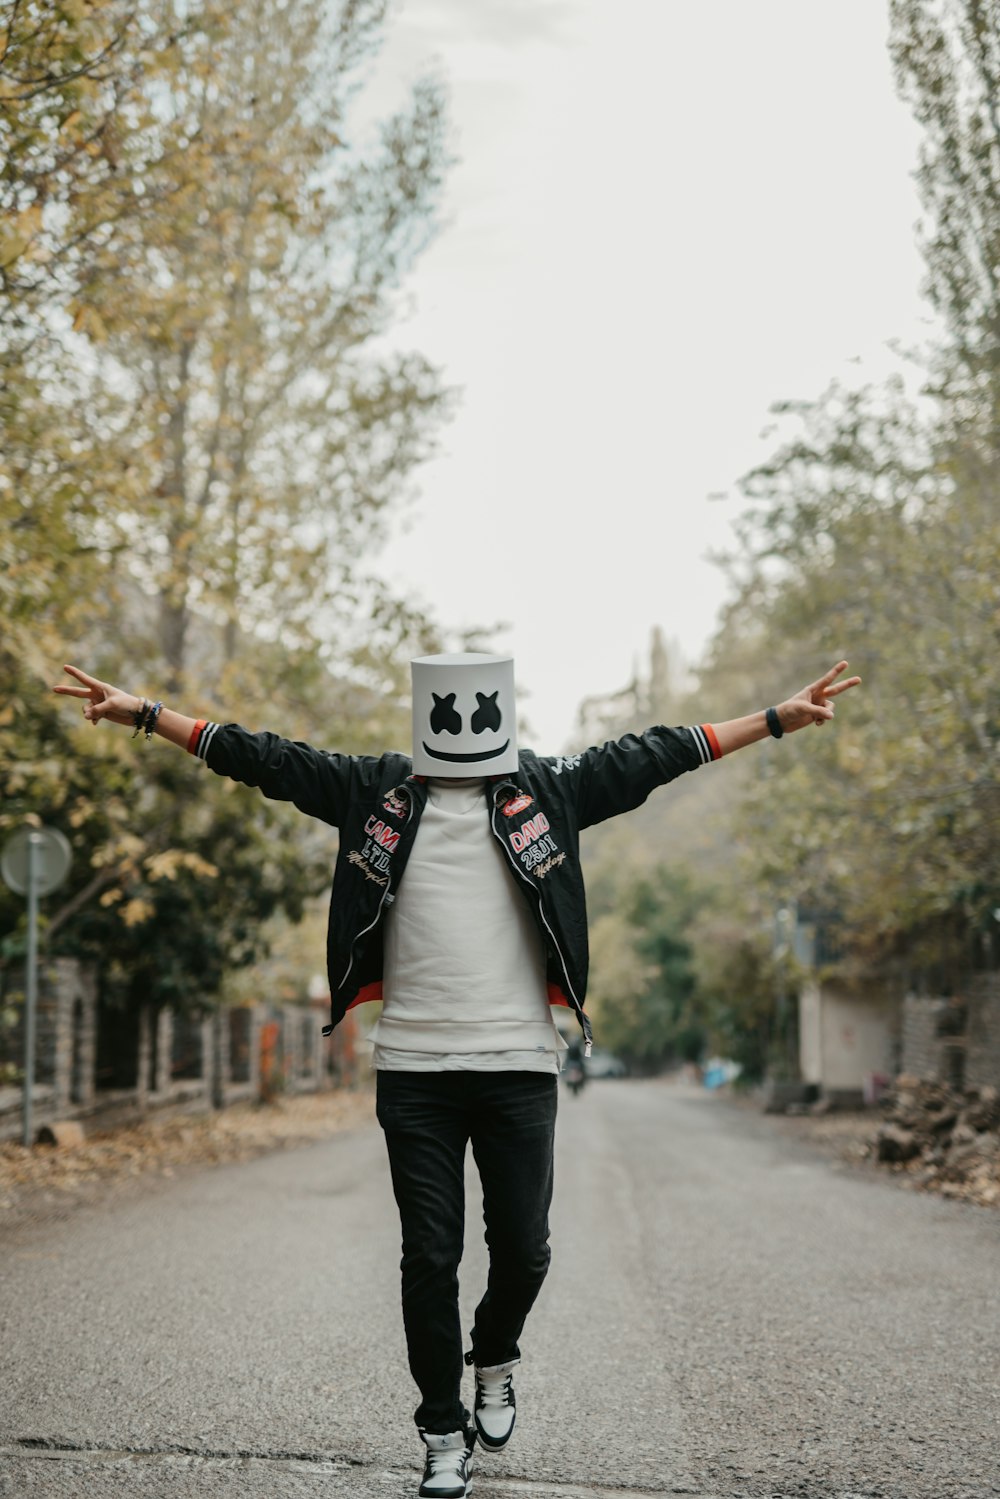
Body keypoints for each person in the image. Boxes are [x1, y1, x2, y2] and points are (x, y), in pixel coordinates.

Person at [53, 652, 861, 1498]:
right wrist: (146, 712)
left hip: (518, 1064)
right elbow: (260, 757)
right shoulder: (375, 792)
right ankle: (442, 1430)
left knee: (526, 1252)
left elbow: (661, 751)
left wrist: (775, 717)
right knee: (427, 1256)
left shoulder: (549, 790)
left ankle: (496, 1353)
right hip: (414, 1070)